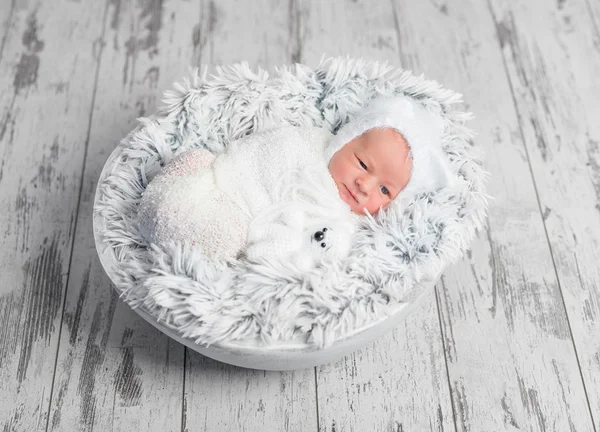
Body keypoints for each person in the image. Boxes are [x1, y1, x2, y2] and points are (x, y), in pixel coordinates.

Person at [137, 95, 455, 264]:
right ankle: (168, 196)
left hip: (240, 214)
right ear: (345, 140)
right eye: (362, 163)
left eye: (385, 189)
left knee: (210, 233)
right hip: (225, 172)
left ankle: (171, 228)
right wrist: (231, 168)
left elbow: (303, 244)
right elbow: (269, 147)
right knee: (195, 162)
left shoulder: (343, 221)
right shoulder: (311, 142)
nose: (365, 185)